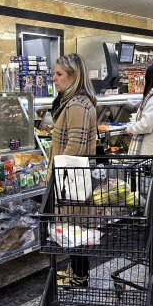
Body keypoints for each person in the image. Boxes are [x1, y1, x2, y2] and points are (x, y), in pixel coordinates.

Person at [48, 53, 98, 288]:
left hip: (71, 179)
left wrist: (59, 179)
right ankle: (77, 271)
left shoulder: (77, 104)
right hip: (72, 178)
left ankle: (79, 277)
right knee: (75, 226)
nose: (54, 78)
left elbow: (75, 149)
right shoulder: (75, 101)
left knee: (75, 227)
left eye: (59, 74)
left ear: (73, 76)